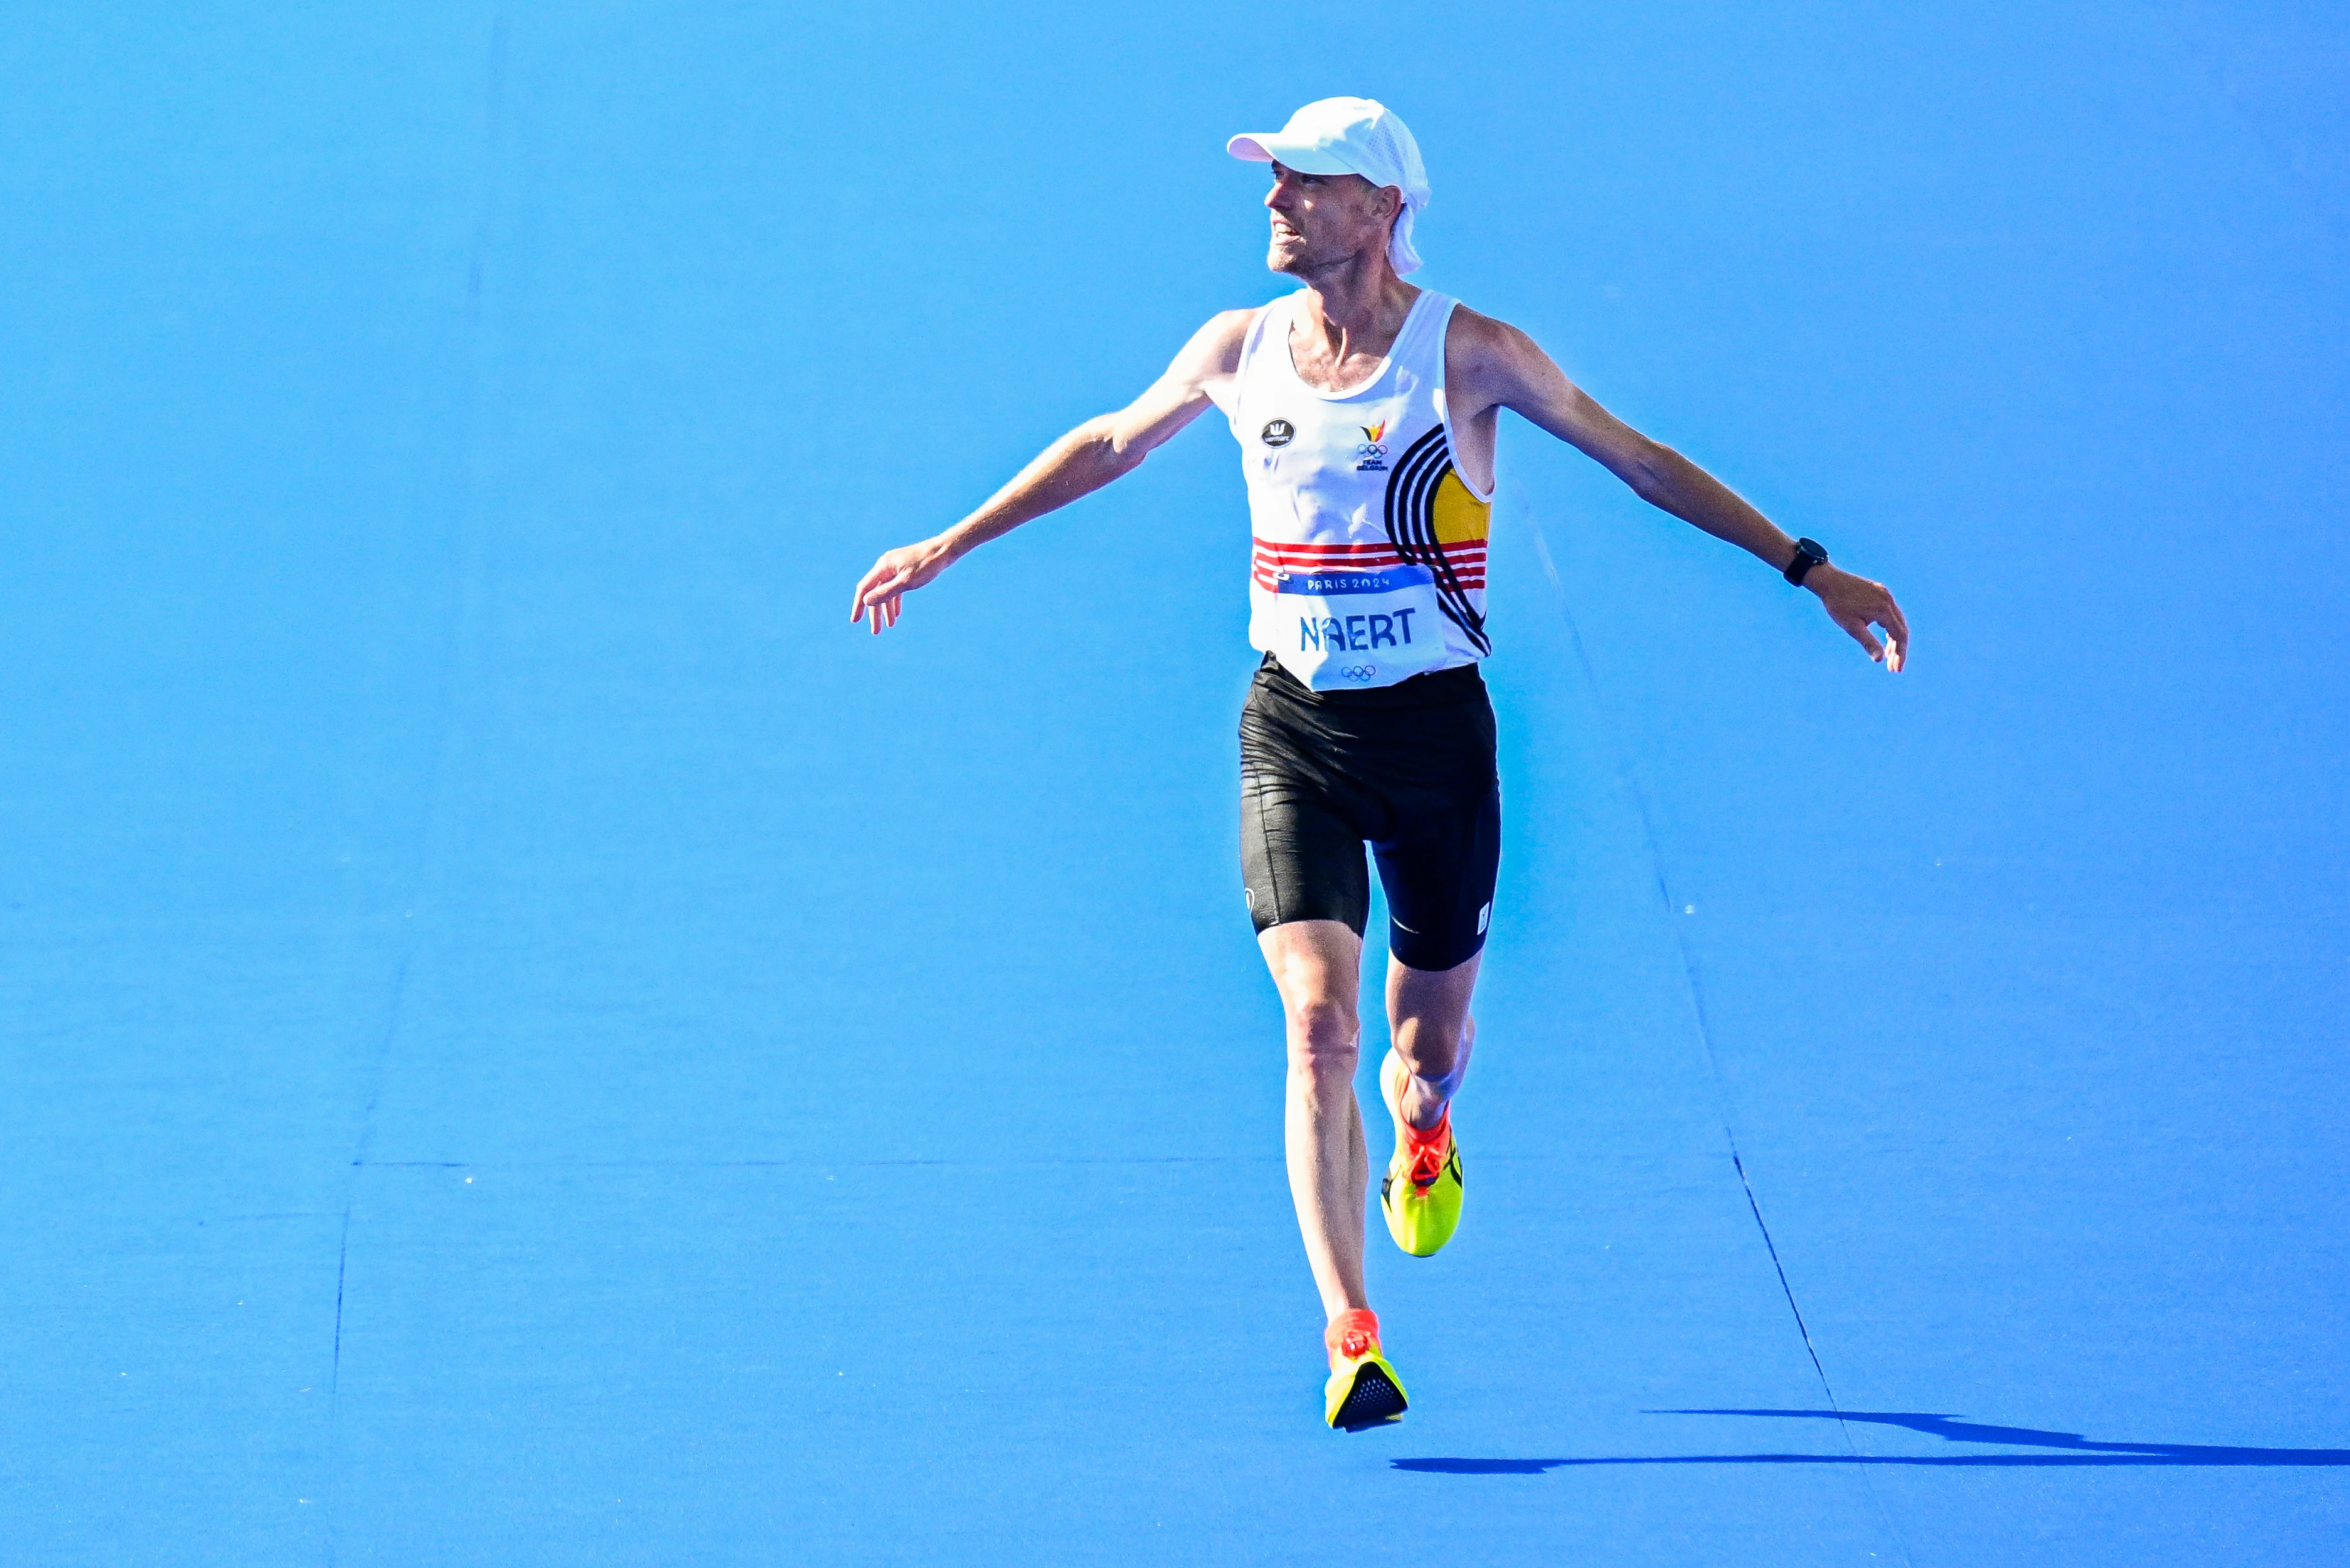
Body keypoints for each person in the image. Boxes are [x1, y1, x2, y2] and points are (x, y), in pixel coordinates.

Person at [849, 97, 1908, 1432]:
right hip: (1292, 728)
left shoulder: (1470, 355)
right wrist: (950, 541)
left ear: (1382, 209)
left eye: (1307, 184)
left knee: (1423, 1042)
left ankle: (1426, 1119)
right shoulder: (1239, 348)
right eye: (1275, 179)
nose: (1275, 202)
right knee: (1315, 1022)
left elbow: (1638, 461)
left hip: (1436, 740)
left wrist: (1808, 568)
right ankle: (1351, 1328)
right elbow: (1115, 440)